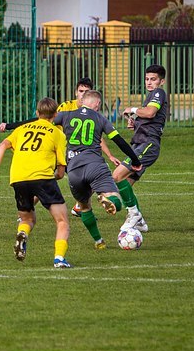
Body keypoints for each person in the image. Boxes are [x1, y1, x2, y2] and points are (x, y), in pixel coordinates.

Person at [0, 77, 119, 216]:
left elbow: (97, 139)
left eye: (86, 92)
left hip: (73, 153)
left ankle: (79, 206)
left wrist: (110, 155)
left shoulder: (93, 112)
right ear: (76, 92)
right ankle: (29, 211)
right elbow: (41, 119)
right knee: (46, 181)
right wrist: (10, 126)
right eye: (81, 91)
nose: (83, 94)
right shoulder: (66, 107)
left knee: (85, 175)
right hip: (57, 150)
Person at [0, 97, 72, 268]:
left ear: (37, 113)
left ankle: (22, 233)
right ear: (55, 115)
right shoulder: (58, 134)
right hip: (43, 177)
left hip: (18, 178)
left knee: (27, 218)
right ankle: (59, 259)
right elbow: (61, 172)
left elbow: (2, 145)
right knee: (62, 221)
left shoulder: (21, 129)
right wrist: (53, 177)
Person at [54, 89, 142, 250]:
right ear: (97, 103)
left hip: (73, 169)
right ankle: (106, 198)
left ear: (82, 101)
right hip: (95, 165)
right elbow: (118, 140)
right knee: (116, 199)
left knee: (84, 206)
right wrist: (135, 160)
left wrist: (12, 126)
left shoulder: (66, 115)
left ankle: (99, 241)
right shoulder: (100, 118)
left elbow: (43, 120)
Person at [112, 64, 169, 233]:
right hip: (140, 144)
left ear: (161, 81)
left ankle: (134, 215)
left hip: (147, 145)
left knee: (117, 176)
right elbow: (150, 118)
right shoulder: (150, 96)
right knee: (125, 185)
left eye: (153, 79)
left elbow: (150, 113)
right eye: (147, 79)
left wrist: (133, 109)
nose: (149, 82)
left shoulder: (158, 93)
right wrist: (135, 123)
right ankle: (139, 220)